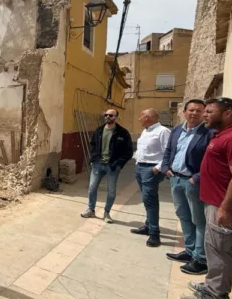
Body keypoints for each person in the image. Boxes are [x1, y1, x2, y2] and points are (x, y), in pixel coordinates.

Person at [181, 97, 232, 299]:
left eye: (210, 111)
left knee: (221, 250)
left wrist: (225, 208)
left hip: (223, 206)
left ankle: (216, 297)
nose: (205, 115)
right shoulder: (221, 136)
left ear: (228, 113)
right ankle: (212, 285)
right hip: (213, 202)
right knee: (214, 248)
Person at [161, 99, 214, 274]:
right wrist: (166, 167)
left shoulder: (209, 133)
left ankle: (200, 258)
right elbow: (169, 150)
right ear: (184, 112)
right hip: (175, 179)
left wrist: (196, 178)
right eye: (191, 110)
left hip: (193, 182)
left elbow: (210, 160)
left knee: (198, 219)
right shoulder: (177, 129)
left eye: (199, 111)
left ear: (204, 113)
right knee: (183, 216)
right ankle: (190, 250)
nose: (195, 113)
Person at [80, 109, 133, 223]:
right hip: (98, 164)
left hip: (112, 166)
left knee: (111, 191)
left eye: (111, 115)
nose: (108, 117)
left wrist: (118, 164)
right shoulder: (99, 130)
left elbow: (128, 152)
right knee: (92, 188)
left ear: (116, 117)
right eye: (106, 115)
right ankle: (91, 210)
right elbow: (92, 144)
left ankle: (107, 213)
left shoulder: (123, 133)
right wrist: (94, 158)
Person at [131, 109, 171, 247]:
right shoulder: (146, 131)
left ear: (147, 118)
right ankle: (148, 226)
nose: (139, 119)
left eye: (141, 116)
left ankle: (154, 233)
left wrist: (157, 169)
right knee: (146, 198)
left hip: (151, 169)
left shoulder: (163, 131)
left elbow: (169, 152)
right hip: (140, 167)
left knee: (150, 200)